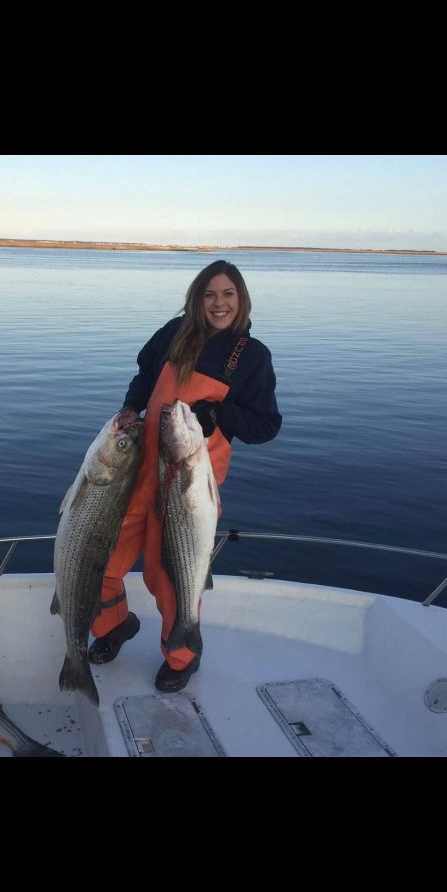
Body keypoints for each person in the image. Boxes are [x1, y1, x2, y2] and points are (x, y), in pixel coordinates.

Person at [88, 259, 282, 692]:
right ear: (197, 298)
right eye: (210, 294)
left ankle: (182, 655)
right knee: (101, 556)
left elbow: (266, 426)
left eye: (228, 294)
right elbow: (144, 376)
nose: (219, 303)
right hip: (137, 471)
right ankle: (114, 626)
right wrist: (130, 408)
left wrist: (219, 413)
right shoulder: (174, 332)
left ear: (241, 299)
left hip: (188, 486)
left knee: (170, 575)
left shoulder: (251, 356)